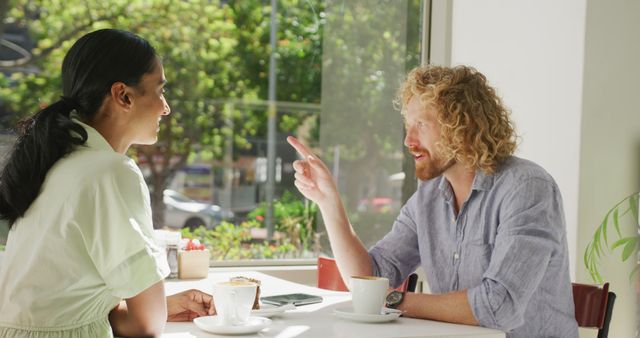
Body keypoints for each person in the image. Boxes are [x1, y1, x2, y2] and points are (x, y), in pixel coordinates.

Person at [288, 65, 579, 337]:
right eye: (407, 125)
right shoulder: (427, 199)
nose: (408, 140)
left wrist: (395, 300)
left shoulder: (527, 188)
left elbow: (498, 305)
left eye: (421, 125)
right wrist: (328, 201)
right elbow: (370, 279)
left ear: (463, 128)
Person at [0, 29, 213, 337]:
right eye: (160, 91)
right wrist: (155, 309)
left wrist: (160, 305)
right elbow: (146, 326)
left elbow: (67, 300)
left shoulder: (55, 163)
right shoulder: (110, 172)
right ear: (123, 95)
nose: (165, 107)